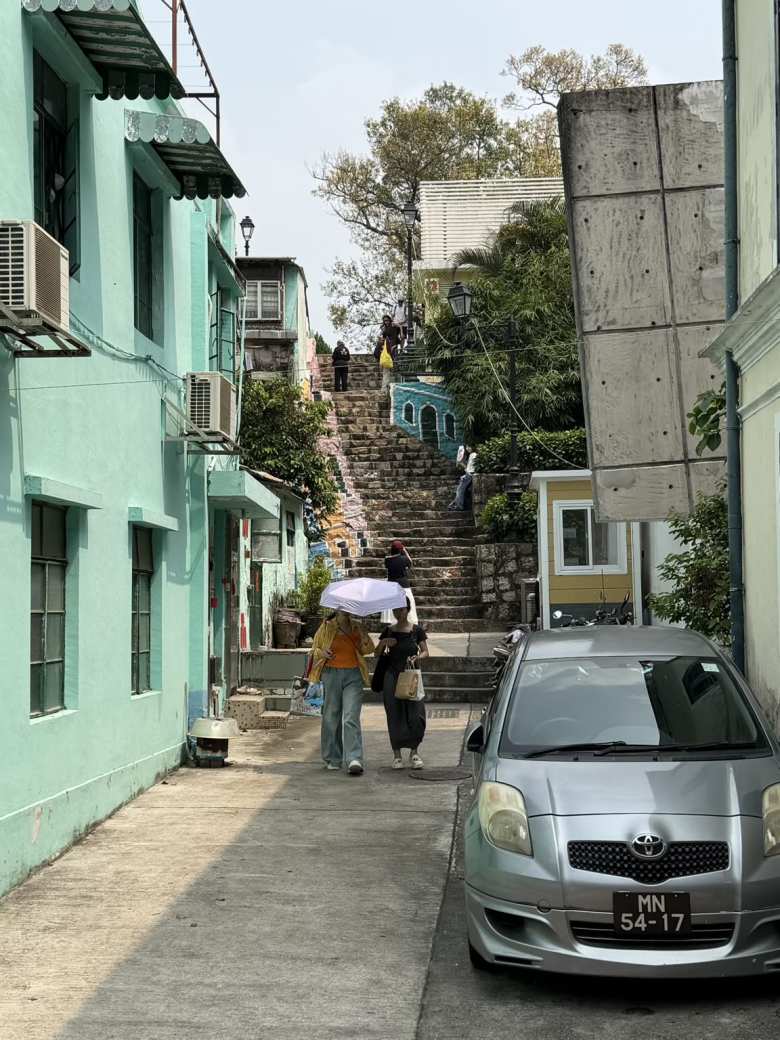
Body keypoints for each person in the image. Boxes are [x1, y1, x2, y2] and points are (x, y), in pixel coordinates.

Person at [310, 610, 375, 775]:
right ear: (337, 609)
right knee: (331, 716)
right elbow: (314, 650)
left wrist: (364, 637)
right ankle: (333, 758)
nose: (346, 611)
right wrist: (322, 653)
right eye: (343, 608)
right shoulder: (326, 627)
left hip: (354, 675)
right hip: (330, 674)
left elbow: (368, 650)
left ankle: (354, 758)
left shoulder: (357, 627)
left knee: (350, 717)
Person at [372, 601, 429, 770]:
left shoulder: (416, 630)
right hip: (392, 676)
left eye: (401, 609)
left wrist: (417, 657)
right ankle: (397, 755)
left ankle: (414, 752)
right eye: (395, 609)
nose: (398, 612)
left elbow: (425, 651)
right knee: (394, 713)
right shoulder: (389, 630)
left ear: (408, 609)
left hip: (411, 676)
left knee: (416, 713)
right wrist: (383, 643)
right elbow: (376, 654)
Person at [381, 539, 418, 625]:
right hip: (403, 584)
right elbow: (410, 562)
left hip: (391, 585)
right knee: (408, 604)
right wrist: (405, 551)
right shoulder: (404, 559)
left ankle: (392, 622)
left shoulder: (387, 560)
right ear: (400, 549)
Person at [449, 444, 477, 511]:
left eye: (469, 446)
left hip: (469, 476)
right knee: (459, 490)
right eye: (467, 447)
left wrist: (461, 464)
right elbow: (469, 468)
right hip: (468, 475)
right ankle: (455, 504)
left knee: (460, 490)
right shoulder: (472, 455)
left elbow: (470, 470)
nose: (467, 448)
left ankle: (459, 505)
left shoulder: (473, 455)